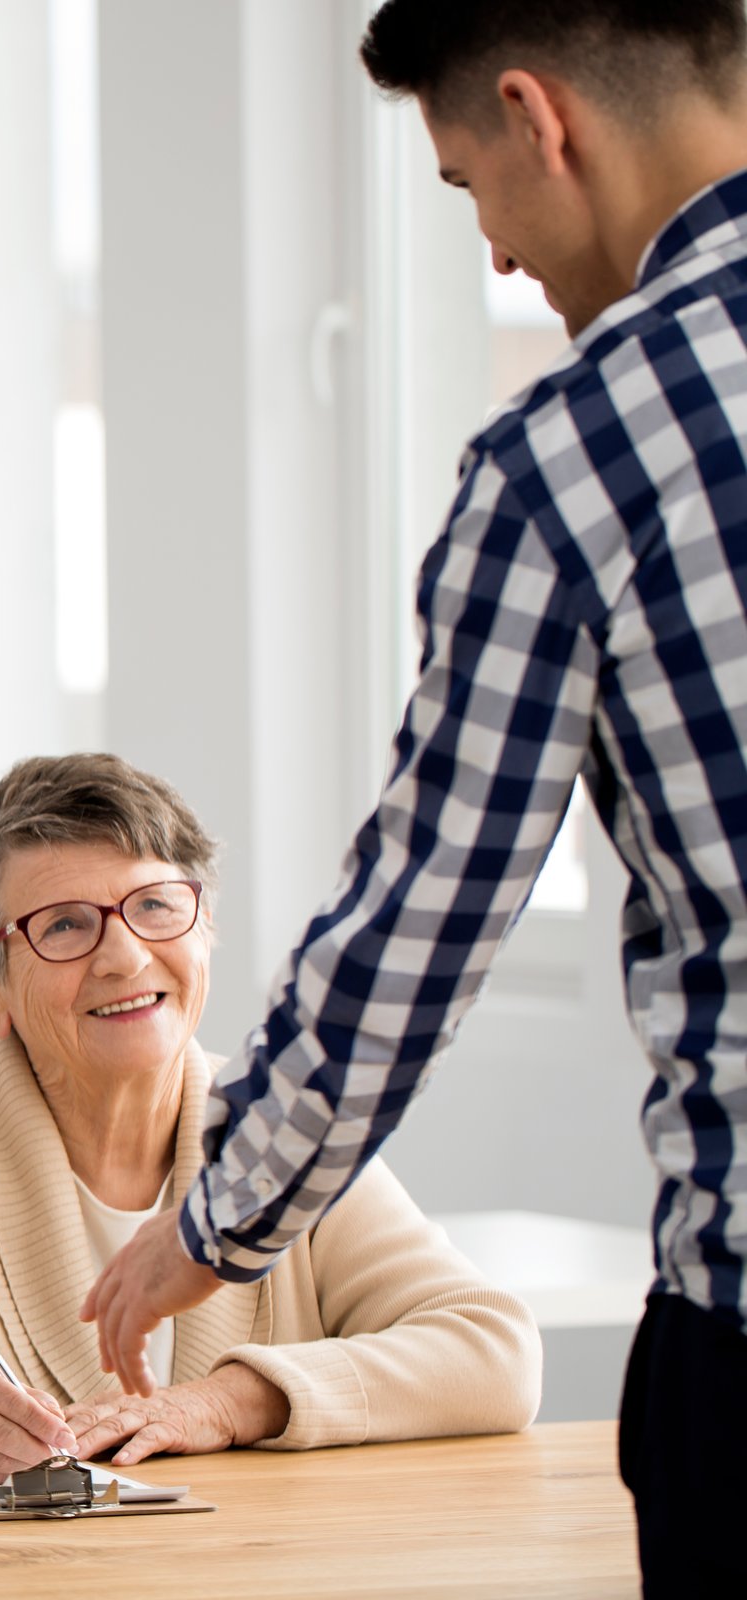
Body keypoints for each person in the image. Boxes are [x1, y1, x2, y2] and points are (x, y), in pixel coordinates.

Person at [78, 4, 747, 1584]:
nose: (503, 259)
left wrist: (209, 1229)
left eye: (465, 189)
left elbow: (422, 926)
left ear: (539, 116)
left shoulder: (578, 460)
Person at [0, 754, 540, 1480]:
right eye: (64, 925)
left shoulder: (279, 1132)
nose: (126, 955)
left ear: (204, 924)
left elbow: (492, 1352)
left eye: (157, 906)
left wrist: (230, 1402)